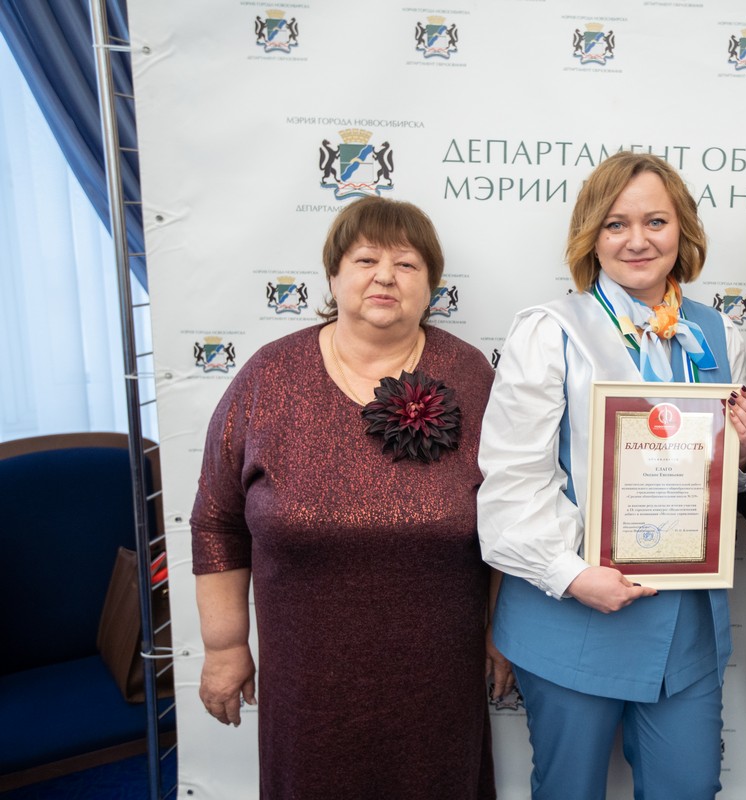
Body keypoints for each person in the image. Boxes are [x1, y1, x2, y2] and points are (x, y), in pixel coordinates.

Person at [191, 197, 512, 799]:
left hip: (438, 683)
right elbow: (217, 521)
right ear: (333, 275)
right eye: (366, 260)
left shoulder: (471, 377)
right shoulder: (268, 376)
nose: (385, 276)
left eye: (407, 264)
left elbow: (509, 516)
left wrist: (503, 630)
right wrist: (224, 646)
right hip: (305, 689)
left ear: (431, 286)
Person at [476, 151, 746, 800]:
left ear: (683, 231)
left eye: (656, 221)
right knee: (570, 791)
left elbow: (724, 481)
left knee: (688, 788)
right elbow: (512, 481)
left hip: (686, 624)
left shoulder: (719, 333)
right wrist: (570, 575)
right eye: (616, 224)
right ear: (591, 237)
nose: (637, 240)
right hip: (570, 611)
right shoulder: (550, 331)